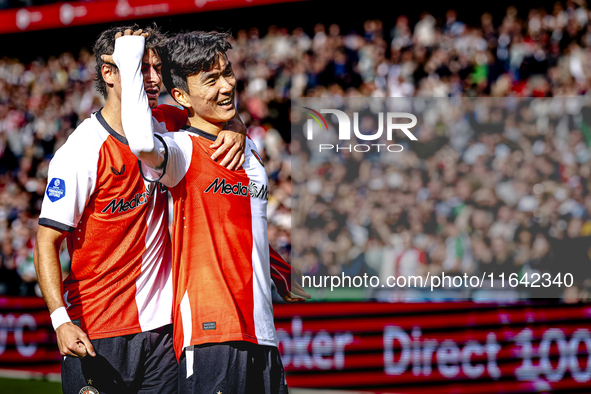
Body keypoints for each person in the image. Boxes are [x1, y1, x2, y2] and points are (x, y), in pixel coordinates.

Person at [33, 25, 247, 394]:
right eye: (141, 68)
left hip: (163, 332)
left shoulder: (167, 121)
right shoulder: (82, 150)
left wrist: (237, 127)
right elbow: (45, 242)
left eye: (156, 68)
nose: (153, 78)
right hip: (99, 329)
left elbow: (216, 112)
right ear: (109, 72)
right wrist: (59, 321)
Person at [112, 31, 297, 393]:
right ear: (181, 96)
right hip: (210, 332)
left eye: (227, 73)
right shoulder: (180, 151)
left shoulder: (250, 149)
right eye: (210, 80)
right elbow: (140, 140)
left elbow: (241, 223)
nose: (227, 86)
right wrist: (129, 54)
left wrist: (277, 267)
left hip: (262, 333)